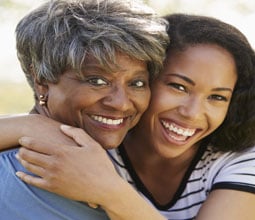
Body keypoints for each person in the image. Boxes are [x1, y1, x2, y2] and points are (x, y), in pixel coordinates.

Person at [0, 13, 255, 220]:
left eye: (217, 97)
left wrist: (109, 191)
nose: (192, 113)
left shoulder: (244, 157)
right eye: (178, 87)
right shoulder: (104, 134)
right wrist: (31, 124)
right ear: (149, 79)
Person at [0, 0, 169, 219]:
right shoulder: (16, 175)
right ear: (42, 81)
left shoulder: (132, 160)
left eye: (136, 83)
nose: (121, 103)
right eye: (97, 81)